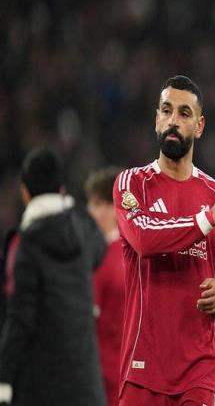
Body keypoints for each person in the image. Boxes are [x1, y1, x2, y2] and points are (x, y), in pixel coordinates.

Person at [113, 75, 215, 406]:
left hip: (198, 371)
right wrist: (207, 219)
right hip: (143, 368)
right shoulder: (132, 183)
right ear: (156, 119)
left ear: (199, 126)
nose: (173, 120)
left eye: (184, 113)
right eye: (166, 110)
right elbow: (144, 237)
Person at [0, 148, 106, 406]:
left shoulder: (24, 246)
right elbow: (99, 250)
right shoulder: (84, 229)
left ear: (25, 192)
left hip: (39, 389)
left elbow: (20, 319)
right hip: (86, 388)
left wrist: (4, 380)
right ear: (62, 191)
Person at [85, 167, 126, 406]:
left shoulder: (100, 259)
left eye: (96, 204)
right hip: (134, 378)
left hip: (103, 379)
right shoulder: (141, 255)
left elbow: (86, 322)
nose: (90, 212)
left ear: (113, 208)